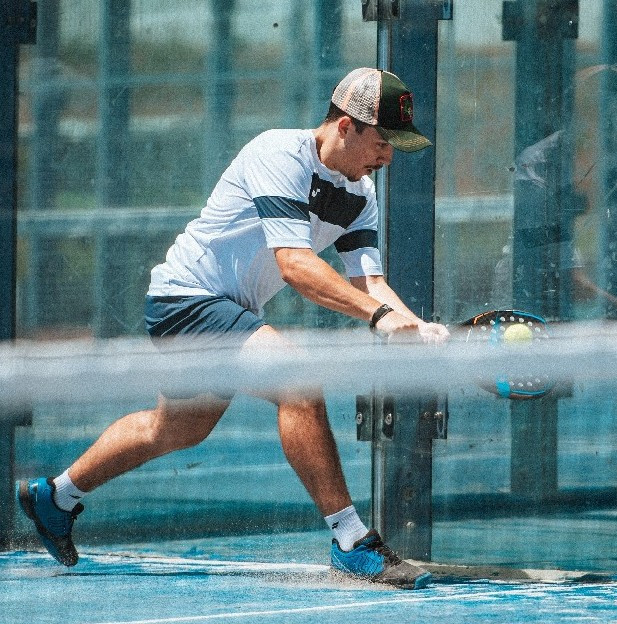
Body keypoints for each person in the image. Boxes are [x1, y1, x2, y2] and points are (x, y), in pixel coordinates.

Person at [17, 67, 450, 589]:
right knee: (297, 380)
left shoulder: (361, 192)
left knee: (175, 429)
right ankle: (351, 542)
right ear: (345, 126)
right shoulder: (279, 154)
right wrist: (382, 320)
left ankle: (55, 497)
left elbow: (370, 283)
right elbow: (295, 266)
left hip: (225, 309)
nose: (387, 157)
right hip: (185, 299)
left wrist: (416, 326)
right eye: (382, 142)